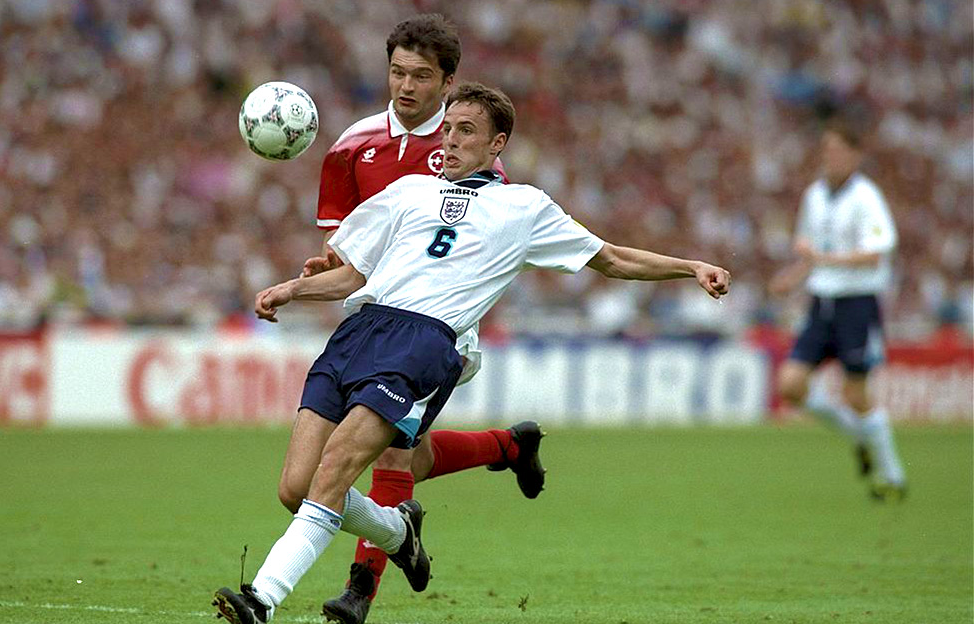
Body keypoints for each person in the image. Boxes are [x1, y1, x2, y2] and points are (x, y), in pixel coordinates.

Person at [213, 82, 731, 624]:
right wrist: (293, 291)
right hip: (357, 333)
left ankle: (261, 599)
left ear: (496, 144)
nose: (451, 140)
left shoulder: (524, 207)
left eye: (467, 131)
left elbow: (612, 259)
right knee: (297, 489)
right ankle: (397, 531)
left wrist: (689, 266)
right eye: (449, 129)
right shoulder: (409, 191)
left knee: (337, 468)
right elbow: (355, 273)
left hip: (422, 344)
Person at [300, 15, 539, 624]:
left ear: (448, 81)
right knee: (411, 453)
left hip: (439, 325)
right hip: (375, 315)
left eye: (421, 76)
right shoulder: (350, 146)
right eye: (397, 72)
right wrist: (326, 266)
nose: (406, 86)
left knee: (392, 458)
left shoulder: (465, 143)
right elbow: (349, 244)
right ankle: (508, 446)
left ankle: (360, 589)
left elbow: (481, 236)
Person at [770, 120, 907, 500]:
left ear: (854, 155)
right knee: (791, 385)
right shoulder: (815, 195)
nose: (829, 157)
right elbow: (813, 249)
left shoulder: (867, 198)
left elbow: (876, 253)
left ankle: (892, 477)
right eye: (826, 149)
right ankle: (860, 437)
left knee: (856, 394)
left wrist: (823, 259)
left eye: (836, 150)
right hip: (822, 301)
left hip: (857, 303)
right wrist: (795, 275)